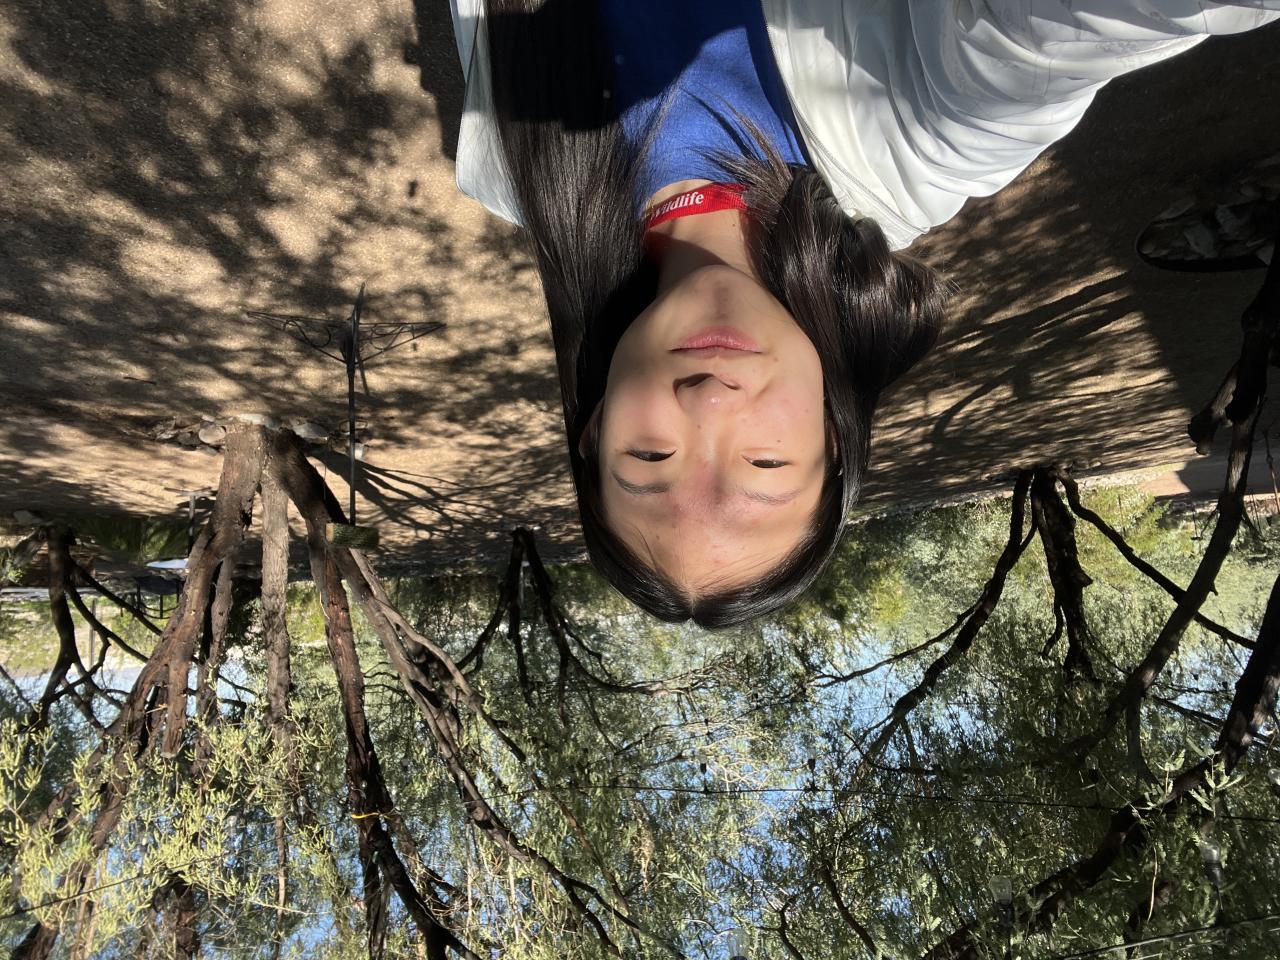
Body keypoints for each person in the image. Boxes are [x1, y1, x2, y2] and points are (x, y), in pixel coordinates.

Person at [446, 0, 1280, 627]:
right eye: (765, 463)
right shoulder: (930, 136)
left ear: (595, 430)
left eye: (651, 455)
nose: (708, 403)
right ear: (832, 438)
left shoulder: (514, 162)